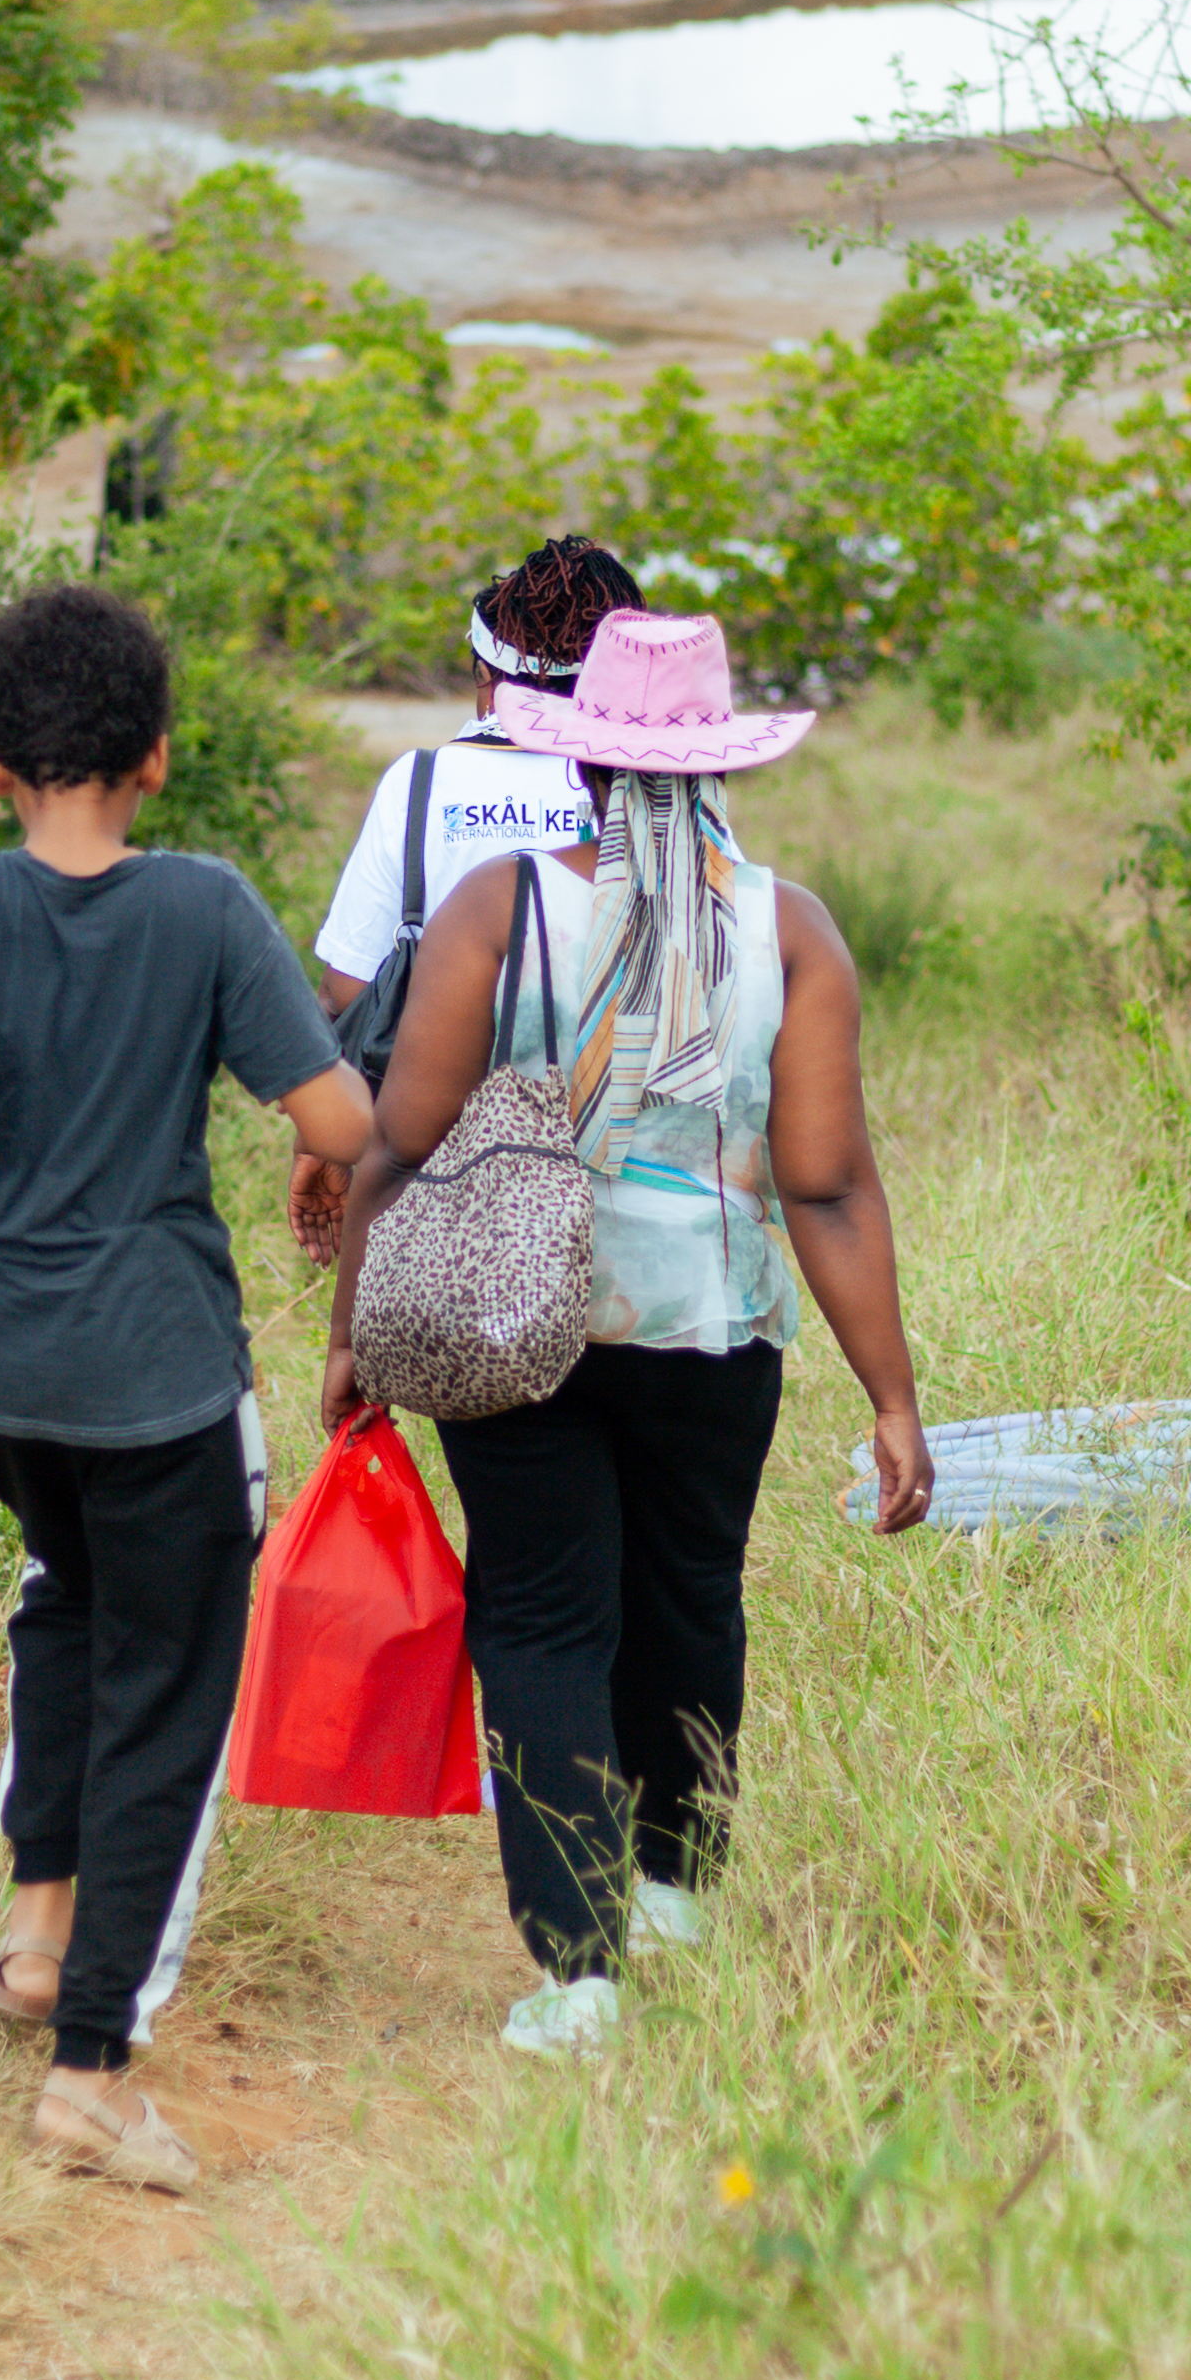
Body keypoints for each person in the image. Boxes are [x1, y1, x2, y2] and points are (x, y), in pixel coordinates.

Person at [0, 580, 374, 2197]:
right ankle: (92, 2071)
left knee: (63, 1596)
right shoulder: (199, 908)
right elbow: (338, 1127)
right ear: (158, 757)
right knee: (165, 1690)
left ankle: (40, 1937)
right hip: (158, 1373)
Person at [323, 605, 933, 2058]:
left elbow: (399, 1144)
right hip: (716, 1331)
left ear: (580, 762)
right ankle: (674, 1891)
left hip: (507, 1317)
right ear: (721, 767)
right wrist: (893, 1399)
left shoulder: (498, 909)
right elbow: (830, 1184)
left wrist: (352, 1332)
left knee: (539, 1614)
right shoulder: (790, 931)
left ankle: (577, 1972)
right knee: (689, 1600)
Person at [292, 534, 642, 1265]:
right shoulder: (662, 790)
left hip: (442, 1174)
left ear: (485, 673)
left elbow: (349, 988)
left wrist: (322, 1140)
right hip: (629, 1166)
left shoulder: (419, 785)